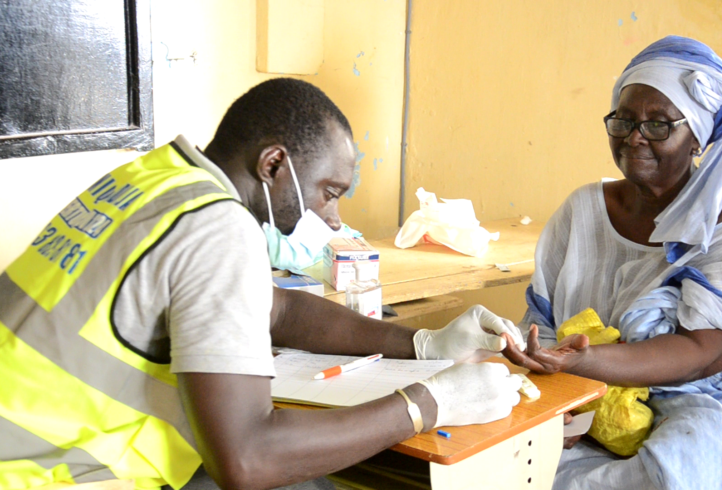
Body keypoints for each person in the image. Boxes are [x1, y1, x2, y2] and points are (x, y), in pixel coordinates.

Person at [0, 78, 526, 490]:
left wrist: (421, 343)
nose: (335, 218)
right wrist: (430, 403)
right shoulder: (217, 224)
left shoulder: (156, 178)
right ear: (274, 163)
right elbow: (248, 459)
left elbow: (274, 310)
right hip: (49, 474)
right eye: (328, 191)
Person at [502, 36, 722, 489]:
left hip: (708, 393)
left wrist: (581, 363)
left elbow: (701, 355)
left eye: (659, 124)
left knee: (688, 459)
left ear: (697, 136)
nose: (634, 136)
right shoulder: (583, 209)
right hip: (590, 394)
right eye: (623, 120)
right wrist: (554, 396)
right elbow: (542, 323)